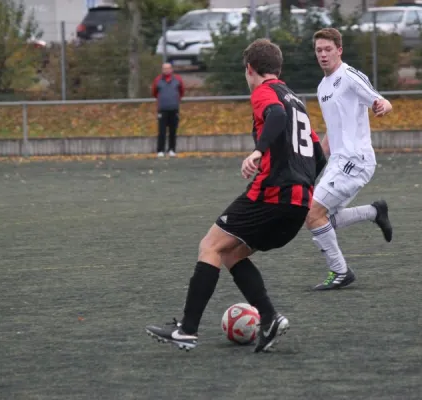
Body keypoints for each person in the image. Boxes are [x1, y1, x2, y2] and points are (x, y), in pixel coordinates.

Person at [145, 39, 327, 352]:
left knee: (210, 246)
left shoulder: (264, 92)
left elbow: (276, 118)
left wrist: (257, 152)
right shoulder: (296, 99)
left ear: (250, 69)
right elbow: (318, 156)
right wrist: (303, 183)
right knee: (230, 253)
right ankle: (269, 318)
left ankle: (187, 330)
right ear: (279, 68)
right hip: (298, 203)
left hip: (271, 194)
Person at [306, 28, 393, 291]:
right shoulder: (323, 87)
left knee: (312, 214)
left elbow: (381, 100)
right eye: (319, 50)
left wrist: (382, 106)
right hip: (338, 162)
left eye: (328, 49)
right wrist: (315, 160)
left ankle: (340, 271)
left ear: (339, 50)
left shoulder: (349, 76)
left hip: (355, 160)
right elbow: (334, 132)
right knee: (323, 219)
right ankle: (374, 212)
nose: (323, 54)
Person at [151, 63, 184, 157]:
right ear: (162, 70)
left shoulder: (178, 79)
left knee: (173, 130)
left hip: (174, 109)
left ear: (171, 69)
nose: (166, 70)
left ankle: (172, 149)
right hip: (162, 109)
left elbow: (181, 91)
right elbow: (154, 92)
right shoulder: (157, 80)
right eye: (164, 68)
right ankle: (160, 150)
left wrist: (175, 100)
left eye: (168, 68)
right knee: (161, 131)